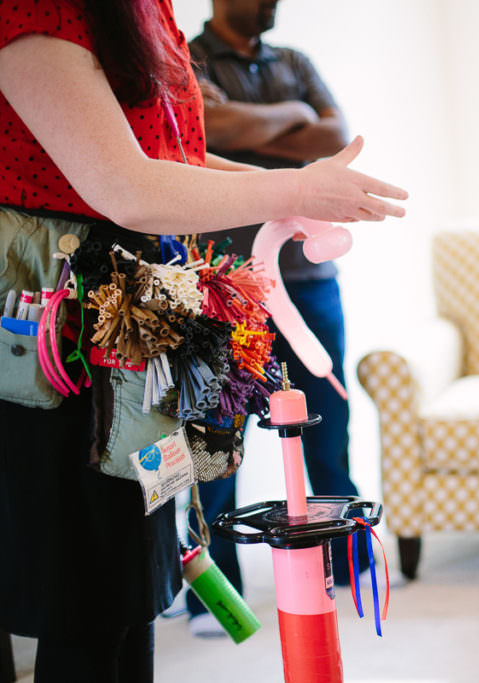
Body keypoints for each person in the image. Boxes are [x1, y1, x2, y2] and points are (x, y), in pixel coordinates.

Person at [0, 1, 405, 680]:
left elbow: (170, 154)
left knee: (136, 582)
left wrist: (297, 191)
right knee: (91, 594)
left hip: (143, 319)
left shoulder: (146, 10)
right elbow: (124, 187)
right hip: (67, 335)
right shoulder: (38, 9)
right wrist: (293, 187)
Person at [183, 0, 368, 637]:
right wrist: (294, 114)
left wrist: (255, 128)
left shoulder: (294, 60)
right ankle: (216, 592)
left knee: (328, 427)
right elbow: (205, 129)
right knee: (214, 443)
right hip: (222, 285)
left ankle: (349, 562)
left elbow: (334, 135)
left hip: (309, 281)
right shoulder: (188, 58)